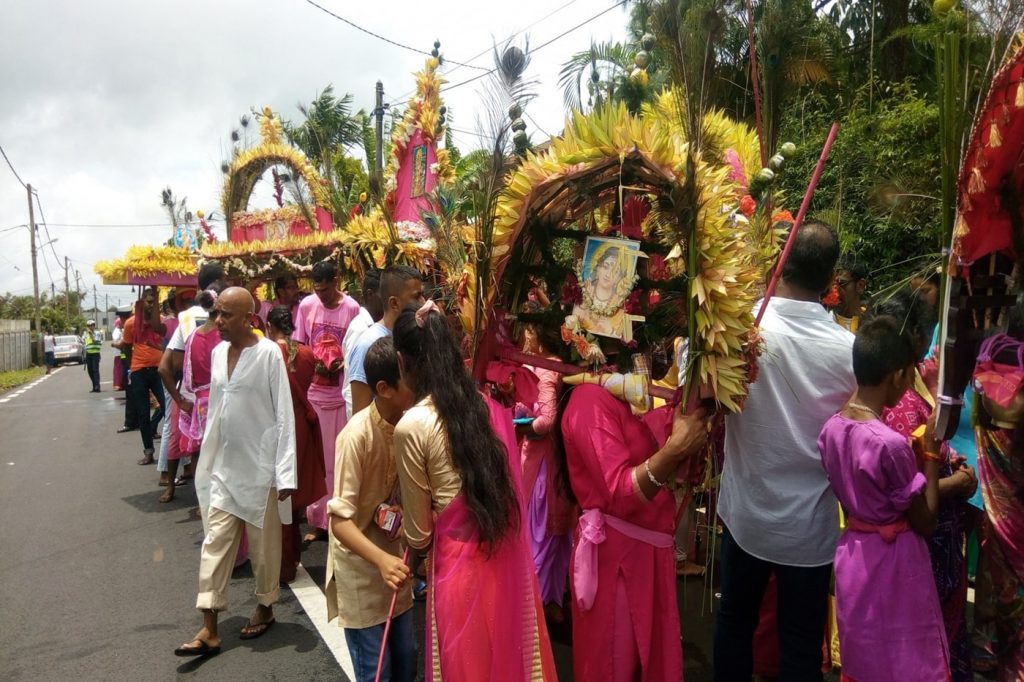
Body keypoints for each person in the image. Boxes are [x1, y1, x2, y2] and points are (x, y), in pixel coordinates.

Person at [714, 220, 855, 681]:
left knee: (735, 625)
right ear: (831, 282)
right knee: (799, 645)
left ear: (779, 261)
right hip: (807, 529)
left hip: (748, 517)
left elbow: (687, 378)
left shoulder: (738, 328)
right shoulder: (847, 351)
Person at [392, 301, 557, 680]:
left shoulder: (412, 426)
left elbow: (418, 535)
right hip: (502, 561)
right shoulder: (486, 406)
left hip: (457, 576)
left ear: (403, 361)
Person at [560, 353, 709, 681]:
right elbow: (619, 491)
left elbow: (653, 439)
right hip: (620, 562)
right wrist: (673, 452)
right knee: (616, 666)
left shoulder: (621, 393)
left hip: (648, 554)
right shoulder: (589, 400)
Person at [817, 315, 948, 682]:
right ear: (896, 377)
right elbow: (926, 520)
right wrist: (932, 456)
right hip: (894, 563)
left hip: (855, 554)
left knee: (866, 658)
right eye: (909, 377)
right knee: (904, 661)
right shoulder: (889, 445)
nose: (910, 386)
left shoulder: (831, 428)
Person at [174, 287, 296, 658]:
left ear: (249, 319)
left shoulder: (269, 354)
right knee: (215, 544)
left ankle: (265, 605)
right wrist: (206, 457)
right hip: (225, 468)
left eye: (226, 315)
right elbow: (218, 409)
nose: (219, 322)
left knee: (263, 551)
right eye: (218, 314)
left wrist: (285, 471)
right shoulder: (216, 353)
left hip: (260, 469)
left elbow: (283, 412)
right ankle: (209, 625)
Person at [873, 289, 978, 681]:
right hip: (923, 544)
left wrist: (949, 461)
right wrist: (956, 482)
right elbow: (907, 487)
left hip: (934, 544)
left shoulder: (910, 382)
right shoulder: (897, 400)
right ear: (913, 334)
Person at [327, 337, 417, 682]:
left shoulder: (409, 425)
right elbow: (339, 522)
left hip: (395, 563)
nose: (418, 382)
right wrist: (380, 560)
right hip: (363, 569)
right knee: (376, 670)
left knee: (406, 659)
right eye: (410, 377)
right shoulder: (355, 437)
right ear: (385, 388)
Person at [292, 260, 362, 546]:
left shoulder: (353, 309)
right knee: (319, 461)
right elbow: (298, 345)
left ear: (337, 280)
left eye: (325, 289)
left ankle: (338, 519)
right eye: (317, 290)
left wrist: (338, 364)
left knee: (338, 462)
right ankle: (318, 521)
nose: (321, 295)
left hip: (341, 395)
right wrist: (314, 365)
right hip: (314, 395)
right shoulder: (307, 306)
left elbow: (355, 349)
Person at [265, 305, 327, 584]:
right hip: (302, 421)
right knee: (294, 490)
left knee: (280, 495)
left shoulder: (269, 354)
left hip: (279, 425)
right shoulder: (307, 352)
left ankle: (284, 562)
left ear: (269, 326)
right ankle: (292, 556)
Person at [518, 322, 575, 621]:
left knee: (538, 538)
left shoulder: (545, 369)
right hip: (558, 463)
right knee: (556, 538)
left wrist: (522, 425)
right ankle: (552, 603)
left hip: (542, 468)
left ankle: (533, 611)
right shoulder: (562, 366)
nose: (527, 335)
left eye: (531, 330)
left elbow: (546, 420)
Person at [158, 283, 224, 503]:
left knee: (197, 450)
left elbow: (170, 366)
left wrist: (183, 399)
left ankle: (201, 499)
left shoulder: (192, 333)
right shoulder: (228, 337)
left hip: (197, 401)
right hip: (221, 399)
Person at [347, 266, 424, 416]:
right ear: (394, 303)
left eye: (423, 295)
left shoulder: (415, 335)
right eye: (416, 296)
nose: (423, 302)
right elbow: (360, 412)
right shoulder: (367, 343)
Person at [124, 288, 167, 464]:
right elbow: (127, 347)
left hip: (159, 370)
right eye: (149, 301)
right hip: (139, 372)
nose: (151, 305)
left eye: (154, 302)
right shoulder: (130, 323)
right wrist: (131, 368)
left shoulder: (162, 322)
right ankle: (148, 451)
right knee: (142, 413)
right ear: (142, 302)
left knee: (167, 409)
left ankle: (171, 451)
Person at [342, 270, 383, 419]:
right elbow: (352, 384)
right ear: (370, 294)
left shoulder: (376, 326)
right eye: (383, 293)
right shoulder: (360, 329)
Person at [832, 255, 867, 333]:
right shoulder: (825, 322)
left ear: (860, 286)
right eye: (831, 284)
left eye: (840, 283)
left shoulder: (873, 323)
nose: (834, 289)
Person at [83, 320, 102, 392]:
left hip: (95, 353)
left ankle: (97, 386)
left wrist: (91, 334)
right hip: (88, 354)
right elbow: (84, 344)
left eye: (92, 325)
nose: (90, 327)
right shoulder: (85, 334)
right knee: (90, 371)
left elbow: (95, 341)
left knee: (95, 370)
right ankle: (94, 385)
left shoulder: (97, 333)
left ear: (94, 326)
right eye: (89, 325)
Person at [110, 318, 124, 388]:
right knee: (118, 368)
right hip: (118, 353)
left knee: (123, 367)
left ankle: (123, 383)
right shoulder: (116, 331)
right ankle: (118, 384)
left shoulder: (122, 330)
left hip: (123, 352)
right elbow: (115, 340)